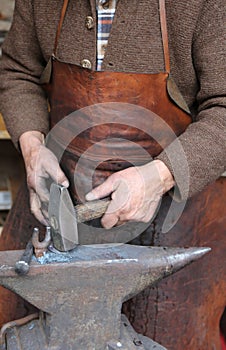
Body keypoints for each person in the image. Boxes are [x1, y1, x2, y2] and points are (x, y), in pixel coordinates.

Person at [0, 0, 225, 348]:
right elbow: (17, 70)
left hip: (177, 214)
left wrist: (161, 177)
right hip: (55, 205)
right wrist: (32, 147)